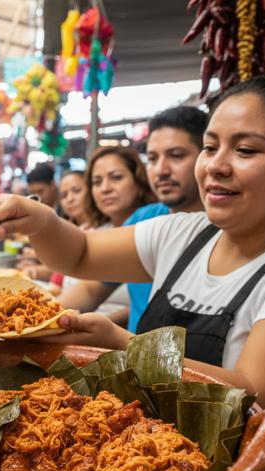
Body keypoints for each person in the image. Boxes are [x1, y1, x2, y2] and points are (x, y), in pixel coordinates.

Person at [0, 76, 265, 471]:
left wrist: (121, 344)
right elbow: (77, 254)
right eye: (210, 146)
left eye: (245, 150)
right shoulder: (181, 233)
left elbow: (253, 394)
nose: (216, 165)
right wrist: (38, 219)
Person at [59, 106, 208, 332]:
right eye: (153, 158)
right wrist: (40, 320)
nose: (161, 170)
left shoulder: (227, 229)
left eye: (176, 156)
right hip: (132, 361)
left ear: (207, 156)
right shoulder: (144, 220)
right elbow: (91, 288)